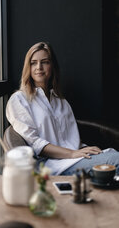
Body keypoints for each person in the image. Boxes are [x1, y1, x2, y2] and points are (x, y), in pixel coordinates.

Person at [6, 42, 119, 176]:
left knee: (113, 154)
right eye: (33, 63)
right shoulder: (19, 99)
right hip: (52, 165)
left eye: (45, 62)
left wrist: (84, 149)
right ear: (27, 67)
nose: (39, 67)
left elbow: (70, 139)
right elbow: (35, 143)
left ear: (52, 66)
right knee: (116, 160)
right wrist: (72, 153)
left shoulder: (61, 101)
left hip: (75, 158)